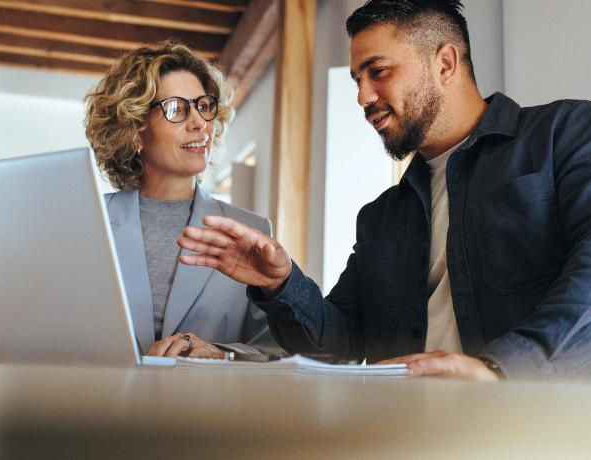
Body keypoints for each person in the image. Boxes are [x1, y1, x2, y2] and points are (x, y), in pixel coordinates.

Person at [177, 0, 591, 381]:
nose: (362, 96)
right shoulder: (381, 215)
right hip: (405, 427)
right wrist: (280, 284)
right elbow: (339, 345)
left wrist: (499, 369)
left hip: (535, 425)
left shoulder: (564, 135)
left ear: (445, 63)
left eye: (379, 72)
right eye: (358, 79)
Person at [84, 41, 282, 358]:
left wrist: (222, 354)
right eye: (177, 109)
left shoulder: (250, 229)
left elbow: (277, 349)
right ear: (135, 130)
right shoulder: (85, 224)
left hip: (206, 407)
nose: (199, 123)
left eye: (203, 106)